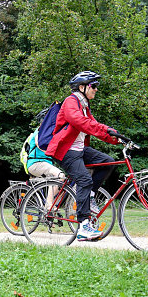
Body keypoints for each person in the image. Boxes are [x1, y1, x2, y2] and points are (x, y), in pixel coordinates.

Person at [45, 71, 119, 241]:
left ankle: (91, 196)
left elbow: (93, 125)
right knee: (84, 180)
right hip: (66, 151)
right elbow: (81, 122)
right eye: (94, 86)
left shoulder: (84, 105)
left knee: (108, 162)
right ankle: (83, 227)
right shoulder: (71, 102)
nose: (96, 90)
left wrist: (116, 138)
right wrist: (106, 129)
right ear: (82, 87)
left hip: (79, 150)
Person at [26, 127, 64, 210]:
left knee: (64, 183)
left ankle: (50, 206)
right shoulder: (40, 131)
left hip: (46, 165)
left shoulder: (51, 133)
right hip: (36, 163)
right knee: (60, 176)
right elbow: (38, 143)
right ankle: (48, 204)